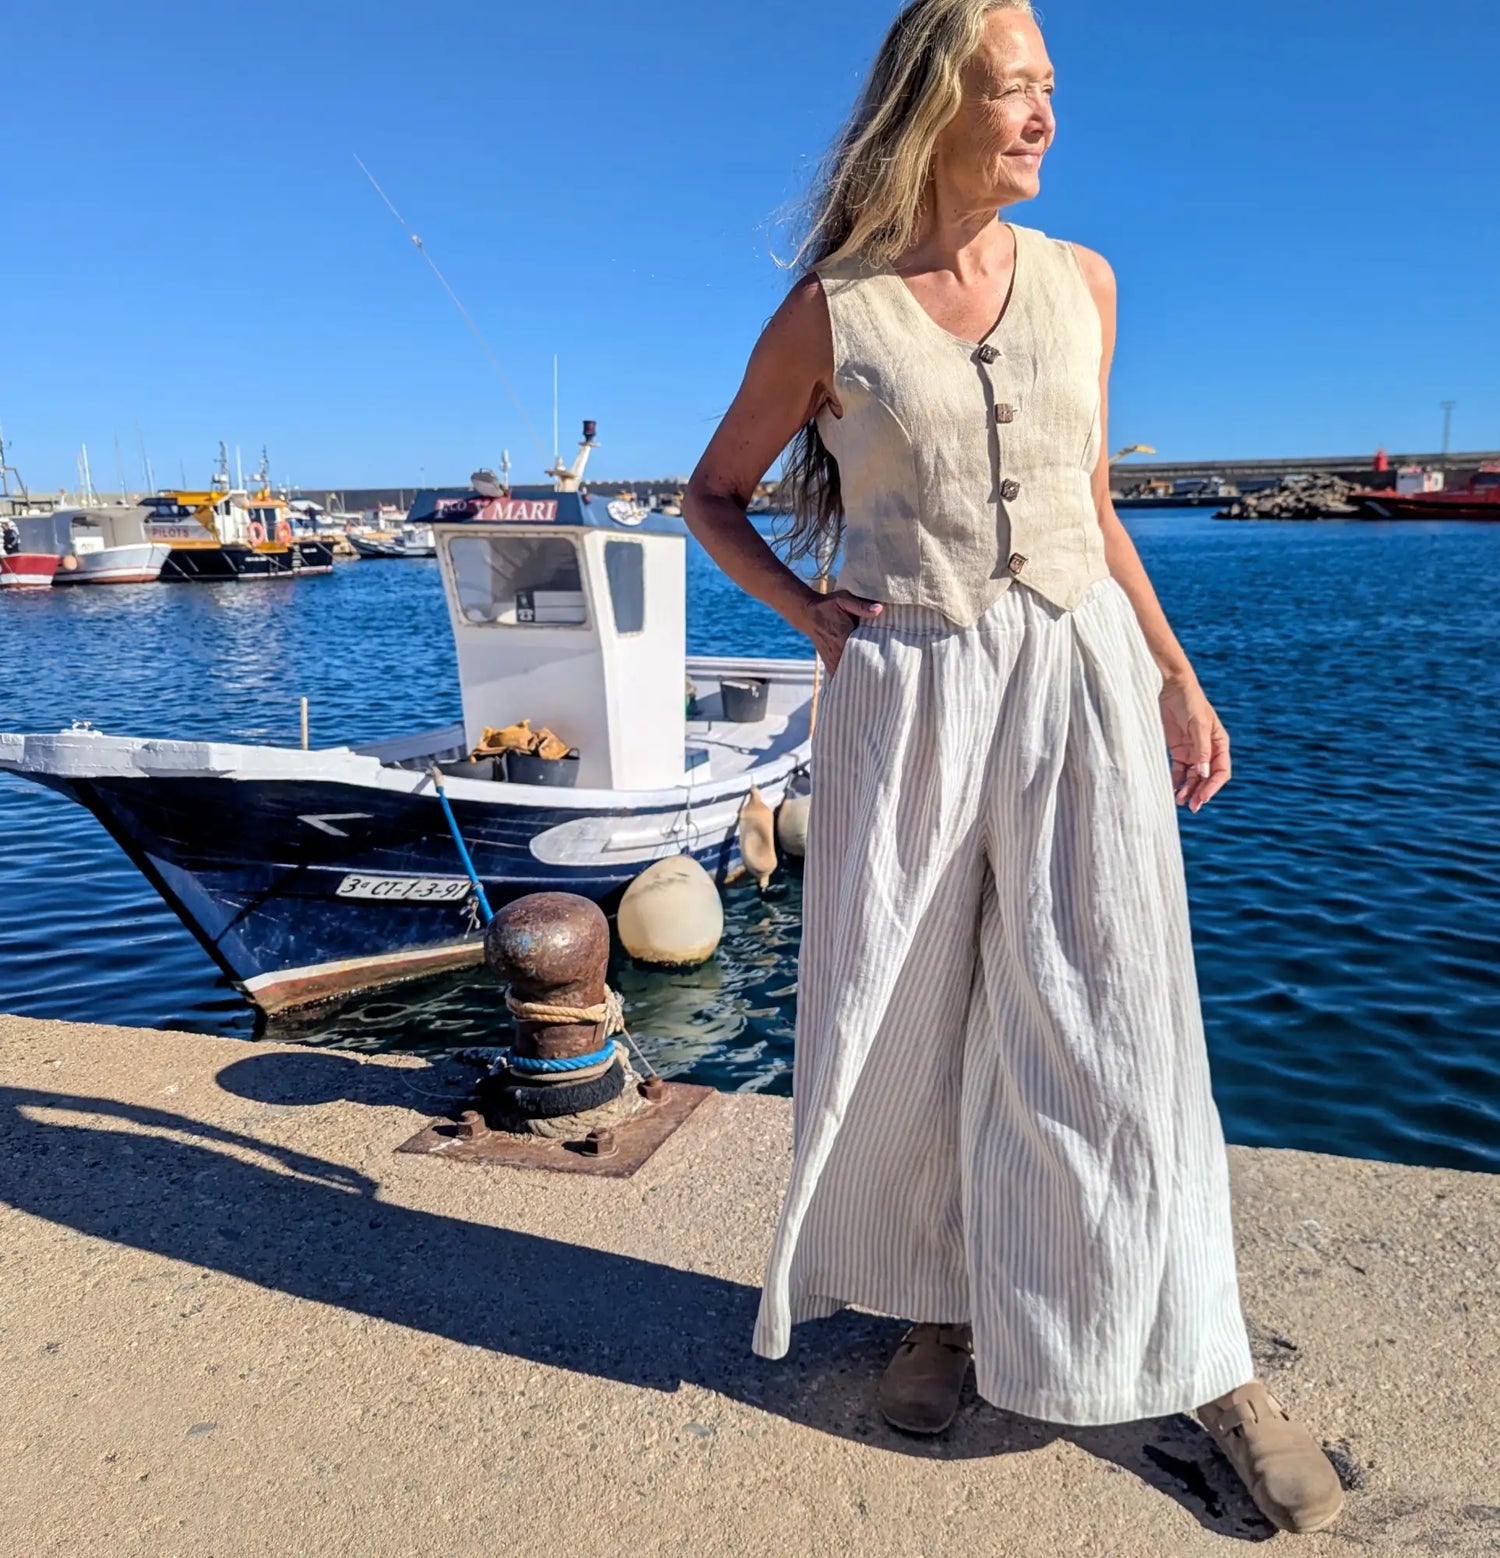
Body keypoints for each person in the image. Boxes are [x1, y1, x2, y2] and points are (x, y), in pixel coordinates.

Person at [683, 0, 1343, 1536]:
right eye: (1015, 88)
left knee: (1118, 1017)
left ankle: (1200, 1355)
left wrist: (1178, 673)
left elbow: (1093, 505)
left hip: (1077, 678)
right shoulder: (832, 314)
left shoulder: (1083, 285)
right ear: (937, 104)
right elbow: (713, 494)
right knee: (909, 1013)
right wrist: (814, 617)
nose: (1045, 115)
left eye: (1050, 88)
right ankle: (940, 1309)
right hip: (910, 684)